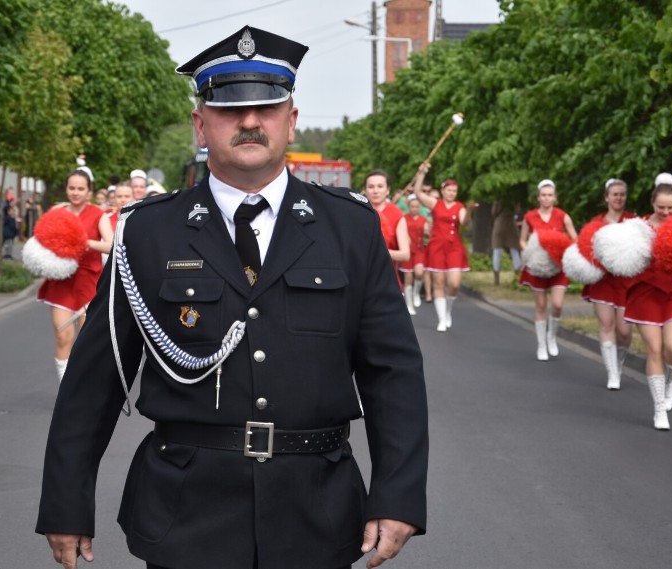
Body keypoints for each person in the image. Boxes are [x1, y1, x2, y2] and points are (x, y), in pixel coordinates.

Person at [36, 26, 428, 569]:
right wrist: (66, 502)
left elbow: (393, 374)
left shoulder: (349, 228)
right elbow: (94, 381)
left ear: (290, 120)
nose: (249, 121)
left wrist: (398, 494)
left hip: (315, 513)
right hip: (184, 516)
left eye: (268, 107)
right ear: (201, 124)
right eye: (228, 109)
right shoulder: (147, 233)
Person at [623, 173, 672, 431]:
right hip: (645, 293)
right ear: (652, 202)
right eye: (660, 207)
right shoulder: (637, 228)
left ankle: (670, 381)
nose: (665, 212)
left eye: (671, 208)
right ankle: (659, 408)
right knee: (654, 349)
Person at [35, 168, 113, 381]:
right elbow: (41, 240)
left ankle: (83, 383)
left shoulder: (98, 214)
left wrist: (85, 243)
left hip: (89, 282)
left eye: (81, 189)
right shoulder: (56, 212)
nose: (76, 192)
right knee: (63, 335)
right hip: (60, 281)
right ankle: (64, 386)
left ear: (89, 192)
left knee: (85, 339)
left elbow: (111, 245)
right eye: (72, 188)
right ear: (66, 189)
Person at [581, 179, 636, 390]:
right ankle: (612, 373)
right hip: (602, 281)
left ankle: (619, 363)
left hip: (626, 281)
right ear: (606, 197)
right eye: (614, 194)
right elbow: (586, 250)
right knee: (606, 325)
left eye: (622, 194)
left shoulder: (633, 222)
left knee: (624, 331)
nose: (618, 198)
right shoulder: (596, 223)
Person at [518, 180, 577, 361]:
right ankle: (541, 344)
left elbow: (574, 239)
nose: (546, 198)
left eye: (550, 195)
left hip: (558, 266)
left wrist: (565, 251)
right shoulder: (530, 217)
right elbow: (522, 240)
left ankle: (552, 336)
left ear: (555, 197)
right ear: (538, 197)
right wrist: (530, 253)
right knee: (541, 305)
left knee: (557, 304)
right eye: (543, 195)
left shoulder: (563, 216)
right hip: (537, 267)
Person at [413, 171, 476, 332]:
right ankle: (441, 319)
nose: (451, 193)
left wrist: (469, 211)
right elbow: (418, 193)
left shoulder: (459, 206)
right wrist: (421, 174)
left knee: (454, 284)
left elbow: (465, 222)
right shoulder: (435, 203)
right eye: (449, 190)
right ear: (443, 191)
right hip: (437, 246)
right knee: (439, 283)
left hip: (454, 247)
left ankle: (448, 310)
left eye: (454, 191)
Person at [364, 169, 411, 285]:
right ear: (365, 190)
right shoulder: (356, 212)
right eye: (371, 187)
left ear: (387, 190)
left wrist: (378, 252)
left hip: (388, 279)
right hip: (361, 280)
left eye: (380, 186)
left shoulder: (397, 214)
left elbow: (405, 254)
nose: (375, 191)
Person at [400, 195, 429, 315]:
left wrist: (428, 232)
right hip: (407, 250)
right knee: (408, 278)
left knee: (419, 273)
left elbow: (427, 232)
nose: (414, 209)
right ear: (408, 207)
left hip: (419, 250)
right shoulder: (404, 218)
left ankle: (416, 293)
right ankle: (409, 304)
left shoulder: (423, 219)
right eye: (412, 206)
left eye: (417, 206)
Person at [490, 201, 522, 285]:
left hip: (499, 224)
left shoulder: (498, 199)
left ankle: (496, 279)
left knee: (497, 252)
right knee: (514, 251)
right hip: (511, 224)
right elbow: (517, 210)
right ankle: (517, 276)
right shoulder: (514, 198)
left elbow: (494, 212)